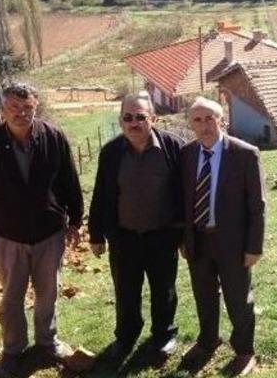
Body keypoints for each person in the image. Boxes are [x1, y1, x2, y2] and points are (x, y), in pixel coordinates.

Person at [0, 83, 83, 377]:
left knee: (48, 294)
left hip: (49, 234)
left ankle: (47, 342)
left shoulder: (53, 137)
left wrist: (75, 221)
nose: (21, 113)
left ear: (36, 106)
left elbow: (70, 180)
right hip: (7, 237)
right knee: (11, 300)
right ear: (3, 110)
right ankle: (13, 350)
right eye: (14, 108)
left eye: (27, 107)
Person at [88, 92, 185, 364]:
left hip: (163, 235)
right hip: (124, 237)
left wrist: (184, 235)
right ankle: (126, 336)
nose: (134, 123)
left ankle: (164, 335)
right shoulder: (110, 152)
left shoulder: (173, 147)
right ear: (120, 121)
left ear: (153, 119)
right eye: (128, 117)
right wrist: (96, 235)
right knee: (126, 291)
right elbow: (101, 195)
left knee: (164, 290)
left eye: (140, 117)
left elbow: (184, 194)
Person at [180, 97, 266, 376]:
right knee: (204, 295)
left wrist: (254, 246)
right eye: (198, 120)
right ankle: (208, 341)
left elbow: (257, 205)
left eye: (210, 118)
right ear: (191, 124)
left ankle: (244, 351)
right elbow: (182, 201)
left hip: (234, 242)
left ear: (221, 120)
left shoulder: (245, 154)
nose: (205, 125)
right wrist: (184, 239)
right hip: (198, 240)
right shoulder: (186, 155)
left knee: (238, 298)